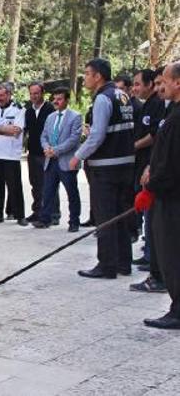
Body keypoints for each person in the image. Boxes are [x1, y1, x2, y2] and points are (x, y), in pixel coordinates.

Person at [71, 58, 135, 279]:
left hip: (106, 168)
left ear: (98, 76)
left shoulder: (102, 98)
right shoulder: (122, 95)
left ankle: (106, 265)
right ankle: (123, 263)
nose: (85, 77)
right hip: (125, 164)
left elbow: (97, 135)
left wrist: (77, 156)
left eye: (87, 73)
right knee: (120, 214)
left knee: (106, 216)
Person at [141, 62, 180, 329]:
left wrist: (152, 185)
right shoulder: (173, 112)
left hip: (172, 199)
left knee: (172, 253)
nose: (159, 86)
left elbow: (172, 164)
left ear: (177, 82)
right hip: (167, 193)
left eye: (163, 81)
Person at [130, 67, 169, 293]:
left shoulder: (166, 108)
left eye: (162, 82)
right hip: (149, 171)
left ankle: (159, 276)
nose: (159, 87)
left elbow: (158, 139)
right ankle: (153, 265)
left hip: (162, 182)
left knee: (159, 229)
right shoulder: (163, 106)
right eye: (157, 82)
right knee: (151, 224)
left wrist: (152, 169)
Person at [31, 88, 82, 232]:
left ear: (66, 100)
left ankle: (74, 221)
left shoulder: (75, 117)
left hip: (66, 160)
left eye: (59, 99)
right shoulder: (51, 117)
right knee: (47, 191)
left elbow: (73, 139)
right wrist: (47, 148)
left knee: (71, 192)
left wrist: (56, 150)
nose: (56, 101)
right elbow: (44, 136)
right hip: (50, 160)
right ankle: (45, 218)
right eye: (54, 98)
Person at [0, 83, 28, 226]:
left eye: (2, 95)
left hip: (11, 155)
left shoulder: (19, 110)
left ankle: (20, 215)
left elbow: (16, 131)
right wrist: (3, 129)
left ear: (9, 95)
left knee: (15, 186)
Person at [24, 82, 59, 223]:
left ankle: (54, 214)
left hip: (46, 152)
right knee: (35, 184)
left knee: (49, 184)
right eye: (31, 93)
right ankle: (37, 211)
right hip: (32, 152)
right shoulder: (28, 111)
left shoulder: (50, 109)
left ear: (43, 93)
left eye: (36, 93)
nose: (34, 96)